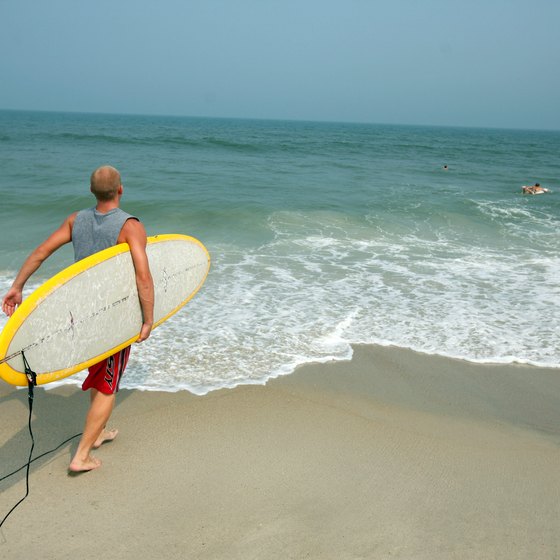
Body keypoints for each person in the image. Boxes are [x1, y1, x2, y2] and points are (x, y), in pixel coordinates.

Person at [1, 165, 154, 472]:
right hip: (112, 318)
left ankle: (97, 434)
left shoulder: (76, 220)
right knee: (109, 384)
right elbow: (143, 275)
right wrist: (148, 318)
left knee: (102, 372)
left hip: (81, 314)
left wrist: (17, 287)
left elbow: (42, 251)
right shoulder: (130, 225)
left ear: (91, 191)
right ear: (121, 189)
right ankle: (81, 455)